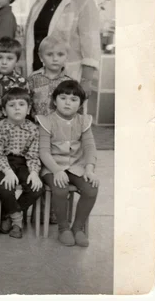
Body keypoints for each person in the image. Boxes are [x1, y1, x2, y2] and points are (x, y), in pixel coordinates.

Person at [24, 0, 101, 92]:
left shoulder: (85, 4)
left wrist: (86, 81)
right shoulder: (39, 3)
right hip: (38, 71)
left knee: (64, 111)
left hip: (68, 75)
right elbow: (29, 40)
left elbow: (91, 47)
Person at [37, 80, 99, 247]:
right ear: (55, 100)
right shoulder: (46, 121)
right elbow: (43, 151)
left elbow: (90, 147)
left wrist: (89, 168)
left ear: (80, 104)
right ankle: (63, 228)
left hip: (76, 166)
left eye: (73, 99)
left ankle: (77, 228)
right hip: (52, 166)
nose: (67, 102)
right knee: (60, 188)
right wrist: (56, 170)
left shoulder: (83, 121)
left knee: (91, 188)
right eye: (63, 98)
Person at [0, 87, 43, 239]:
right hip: (2, 163)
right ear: (4, 110)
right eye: (12, 105)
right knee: (5, 187)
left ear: (28, 109)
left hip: (24, 163)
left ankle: (9, 215)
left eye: (21, 104)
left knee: (36, 188)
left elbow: (33, 155)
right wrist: (7, 171)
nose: (17, 108)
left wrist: (34, 173)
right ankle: (17, 222)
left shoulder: (33, 129)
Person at [0, 37, 30, 126]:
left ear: (16, 61)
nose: (4, 62)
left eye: (9, 58)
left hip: (16, 127)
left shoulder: (22, 83)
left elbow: (26, 108)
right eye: (0, 57)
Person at [27, 36, 73, 117]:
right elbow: (26, 103)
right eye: (49, 54)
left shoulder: (70, 82)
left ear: (67, 57)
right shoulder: (33, 79)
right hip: (37, 125)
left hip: (60, 126)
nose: (55, 59)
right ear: (41, 57)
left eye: (60, 54)